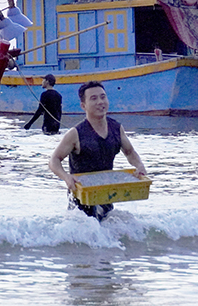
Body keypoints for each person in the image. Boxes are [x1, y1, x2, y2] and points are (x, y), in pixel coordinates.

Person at [49, 81, 147, 221]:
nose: (100, 102)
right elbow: (54, 160)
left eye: (103, 97)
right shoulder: (75, 134)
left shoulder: (116, 128)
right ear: (83, 106)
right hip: (81, 207)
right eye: (93, 98)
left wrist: (140, 166)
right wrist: (66, 177)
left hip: (106, 196)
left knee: (110, 232)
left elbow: (130, 152)